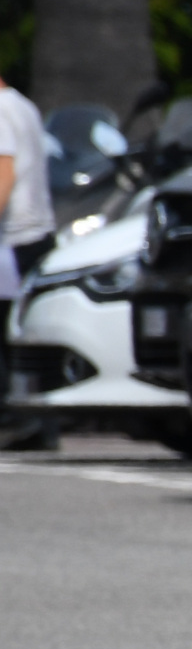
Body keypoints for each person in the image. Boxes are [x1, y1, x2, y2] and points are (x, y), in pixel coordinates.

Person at [0, 74, 58, 449]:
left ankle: (13, 420)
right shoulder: (23, 104)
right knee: (24, 331)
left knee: (4, 336)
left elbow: (3, 173)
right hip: (37, 235)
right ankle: (38, 424)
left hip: (10, 240)